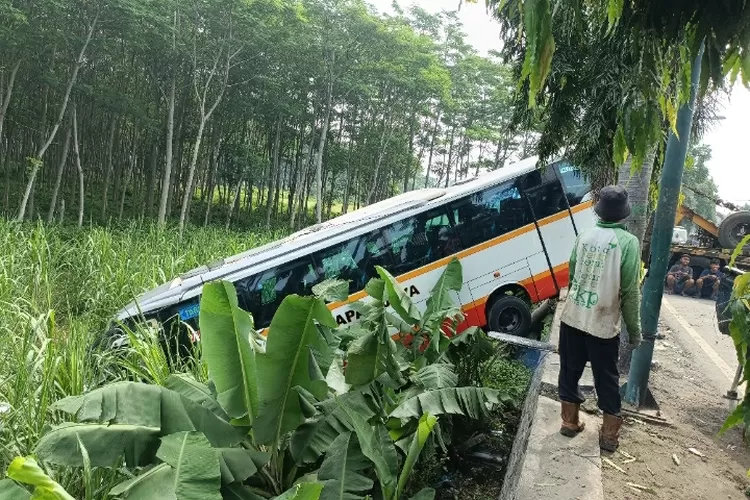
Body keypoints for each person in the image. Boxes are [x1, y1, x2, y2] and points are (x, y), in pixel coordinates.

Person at [558, 185, 641, 453]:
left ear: (599, 211)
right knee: (606, 377)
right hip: (602, 324)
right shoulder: (627, 243)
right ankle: (608, 437)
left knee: (569, 371)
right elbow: (630, 292)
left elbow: (572, 276)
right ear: (623, 214)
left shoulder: (584, 236)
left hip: (573, 317)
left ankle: (569, 423)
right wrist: (634, 330)